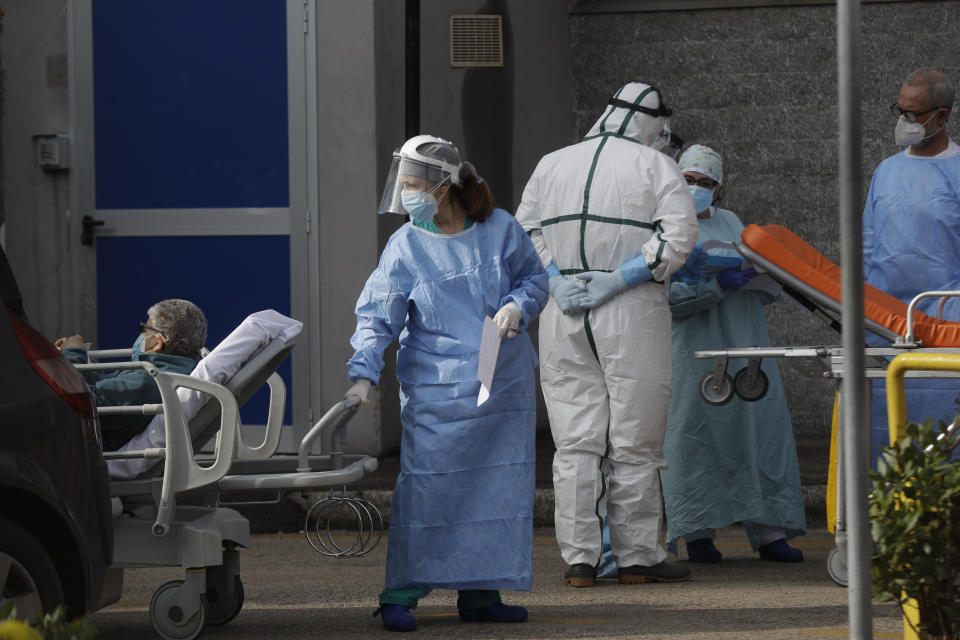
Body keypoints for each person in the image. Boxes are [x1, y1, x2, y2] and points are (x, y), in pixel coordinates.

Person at [344, 135, 548, 632]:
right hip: (437, 391)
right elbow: (378, 314)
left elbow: (535, 279)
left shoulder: (500, 229)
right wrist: (362, 373)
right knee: (427, 491)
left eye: (413, 185)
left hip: (501, 382)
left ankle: (481, 595)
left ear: (443, 186)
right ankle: (400, 594)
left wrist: (517, 306)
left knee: (495, 487)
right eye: (404, 185)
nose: (406, 196)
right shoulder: (407, 244)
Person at [514, 81, 699, 587]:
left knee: (575, 441)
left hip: (563, 315)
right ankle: (638, 558)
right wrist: (623, 277)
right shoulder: (656, 165)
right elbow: (679, 237)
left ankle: (579, 561)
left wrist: (554, 278)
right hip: (632, 311)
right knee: (635, 438)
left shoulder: (552, 163)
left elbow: (523, 233)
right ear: (650, 119)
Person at [659, 144, 806, 563]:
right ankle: (697, 533)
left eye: (706, 183)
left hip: (746, 346)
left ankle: (770, 531)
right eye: (688, 179)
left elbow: (760, 283)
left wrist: (763, 278)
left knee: (758, 430)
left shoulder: (733, 223)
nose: (696, 188)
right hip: (694, 351)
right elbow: (665, 296)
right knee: (692, 437)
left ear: (719, 189)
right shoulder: (665, 229)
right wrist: (717, 285)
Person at [863, 68, 960, 462]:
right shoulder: (886, 171)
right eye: (900, 111)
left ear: (943, 116)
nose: (905, 122)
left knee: (944, 430)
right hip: (883, 324)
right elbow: (869, 244)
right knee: (887, 434)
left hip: (946, 320)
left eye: (915, 114)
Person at [56, 298, 207, 451]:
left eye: (144, 329)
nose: (140, 335)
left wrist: (73, 353)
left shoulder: (147, 382)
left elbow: (79, 404)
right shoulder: (165, 375)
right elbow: (107, 389)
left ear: (158, 342)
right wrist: (80, 362)